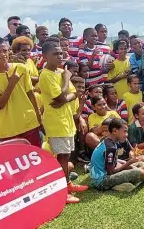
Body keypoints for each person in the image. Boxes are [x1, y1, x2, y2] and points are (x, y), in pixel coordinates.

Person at [38, 42, 88, 204]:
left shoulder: (61, 71)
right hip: (56, 122)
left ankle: (68, 184)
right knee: (62, 156)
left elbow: (73, 94)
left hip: (66, 120)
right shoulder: (46, 75)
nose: (59, 56)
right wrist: (66, 81)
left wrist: (64, 98)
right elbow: (60, 97)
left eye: (61, 53)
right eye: (55, 54)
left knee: (66, 155)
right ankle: (62, 191)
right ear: (45, 56)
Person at [0, 36, 42, 147]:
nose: (3, 54)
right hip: (8, 129)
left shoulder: (21, 68)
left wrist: (38, 116)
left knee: (34, 159)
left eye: (5, 51)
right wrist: (11, 84)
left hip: (29, 123)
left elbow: (30, 94)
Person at [90, 118, 144, 192]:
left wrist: (127, 164)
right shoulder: (110, 148)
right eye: (124, 132)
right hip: (102, 181)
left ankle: (123, 183)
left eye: (127, 132)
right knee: (139, 172)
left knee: (141, 165)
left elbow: (112, 162)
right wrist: (129, 162)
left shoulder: (109, 142)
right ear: (115, 131)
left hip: (107, 173)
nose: (126, 135)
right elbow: (111, 172)